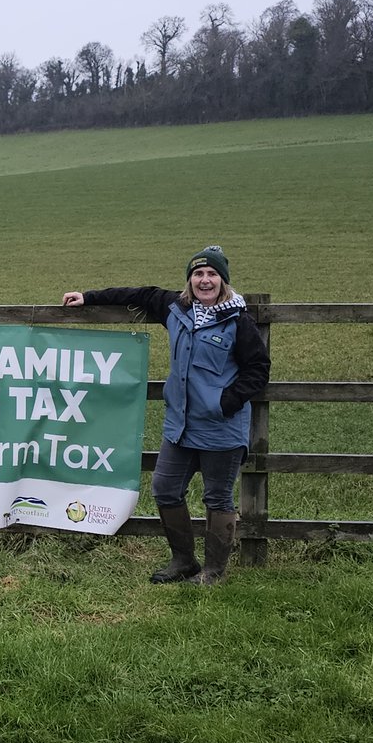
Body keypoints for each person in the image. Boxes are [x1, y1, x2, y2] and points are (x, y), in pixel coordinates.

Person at [62, 245, 270, 585]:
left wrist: (226, 402)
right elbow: (138, 294)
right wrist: (88, 297)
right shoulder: (176, 307)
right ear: (190, 279)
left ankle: (214, 571)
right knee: (164, 488)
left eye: (212, 274)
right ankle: (183, 561)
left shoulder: (238, 321)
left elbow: (258, 369)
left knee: (217, 497)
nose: (205, 280)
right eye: (198, 274)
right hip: (181, 426)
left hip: (220, 427)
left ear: (223, 281)